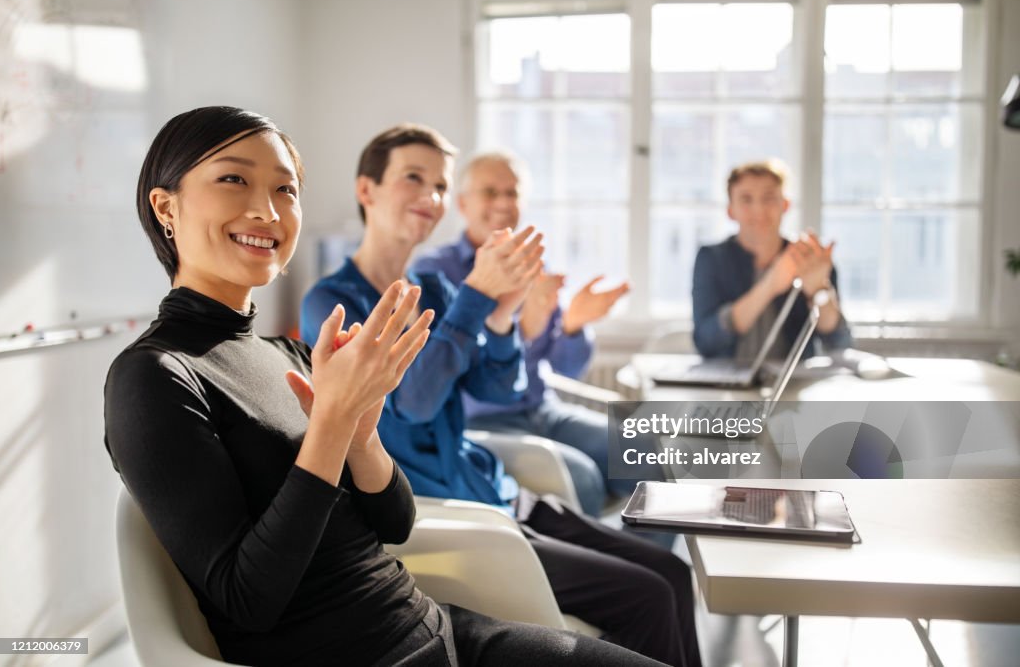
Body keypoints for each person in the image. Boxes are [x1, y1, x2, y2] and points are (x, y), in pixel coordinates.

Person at [104, 106, 666, 667]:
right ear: (165, 206)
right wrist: (332, 424)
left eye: (287, 189)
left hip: (437, 625)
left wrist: (361, 433)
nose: (268, 209)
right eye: (233, 178)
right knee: (649, 594)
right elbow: (250, 600)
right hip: (376, 653)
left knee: (658, 594)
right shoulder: (154, 375)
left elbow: (396, 523)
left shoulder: (289, 352)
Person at [301, 124, 703, 667]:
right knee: (648, 595)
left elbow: (498, 385)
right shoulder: (334, 301)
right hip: (451, 515)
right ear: (366, 189)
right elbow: (409, 407)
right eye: (413, 178)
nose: (431, 197)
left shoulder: (438, 291)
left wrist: (504, 312)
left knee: (673, 573)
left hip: (496, 490)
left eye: (439, 185)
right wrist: (476, 300)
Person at [412, 152, 647, 514]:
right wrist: (523, 329)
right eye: (490, 192)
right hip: (482, 421)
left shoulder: (534, 265)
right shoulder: (433, 272)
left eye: (513, 193)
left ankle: (644, 567)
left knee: (649, 456)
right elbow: (448, 371)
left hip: (545, 410)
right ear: (463, 203)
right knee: (583, 480)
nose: (504, 203)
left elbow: (567, 369)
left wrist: (574, 324)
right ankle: (591, 568)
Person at [692, 159, 852, 360]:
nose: (759, 210)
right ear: (730, 210)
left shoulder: (809, 259)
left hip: (794, 384)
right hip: (726, 383)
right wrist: (771, 284)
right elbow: (705, 342)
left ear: (785, 205)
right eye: (746, 199)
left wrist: (819, 290)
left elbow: (840, 343)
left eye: (769, 198)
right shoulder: (711, 259)